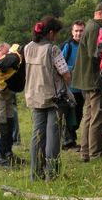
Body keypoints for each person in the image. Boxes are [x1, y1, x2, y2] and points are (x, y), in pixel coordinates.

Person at [24, 16, 73, 181]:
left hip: (34, 96)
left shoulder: (28, 47)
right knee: (53, 136)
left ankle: (35, 174)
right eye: (56, 33)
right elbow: (65, 73)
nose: (57, 37)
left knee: (37, 136)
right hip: (54, 98)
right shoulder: (53, 49)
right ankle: (52, 174)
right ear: (51, 33)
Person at [73, 1, 102, 162]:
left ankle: (85, 151)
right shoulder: (95, 28)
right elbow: (94, 54)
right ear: (101, 12)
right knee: (97, 116)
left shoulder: (90, 26)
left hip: (86, 79)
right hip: (92, 79)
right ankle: (95, 152)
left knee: (89, 116)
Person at [0, 44, 25, 168]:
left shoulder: (20, 59)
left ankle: (8, 154)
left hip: (6, 95)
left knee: (9, 124)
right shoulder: (14, 57)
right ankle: (0, 159)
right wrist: (3, 87)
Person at [60, 20, 86, 150]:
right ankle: (68, 142)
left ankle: (71, 139)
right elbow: (59, 64)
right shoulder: (68, 46)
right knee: (70, 116)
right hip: (69, 88)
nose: (79, 33)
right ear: (72, 32)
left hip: (82, 87)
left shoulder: (87, 45)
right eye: (76, 31)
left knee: (79, 115)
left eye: (81, 31)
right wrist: (73, 68)